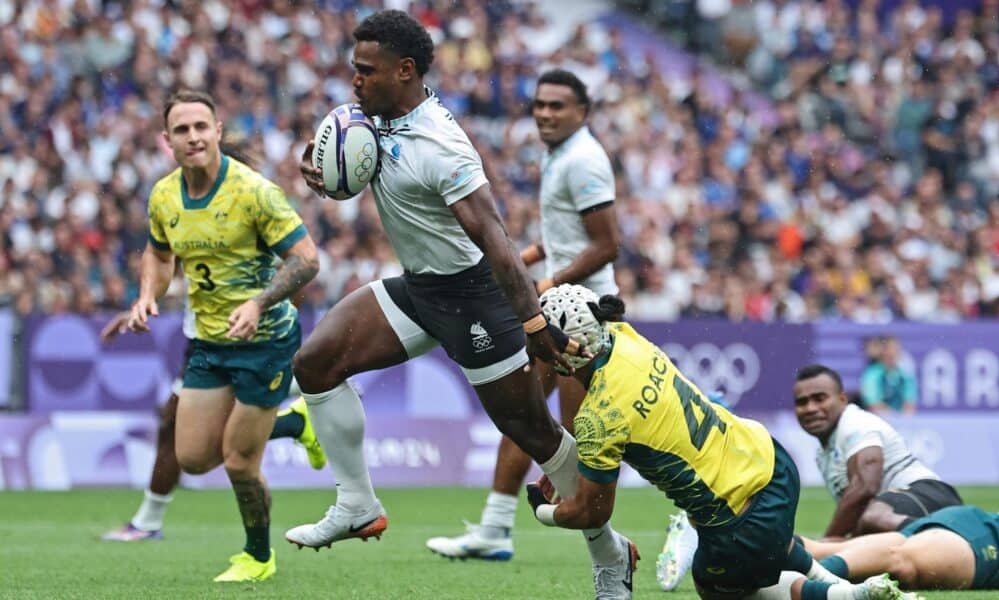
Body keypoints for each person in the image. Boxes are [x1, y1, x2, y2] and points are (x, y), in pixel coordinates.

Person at [286, 11, 635, 599]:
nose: (355, 81)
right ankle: (356, 504)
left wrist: (531, 322)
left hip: (474, 296)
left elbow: (495, 240)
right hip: (421, 288)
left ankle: (610, 550)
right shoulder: (373, 114)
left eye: (366, 71)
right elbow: (337, 147)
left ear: (405, 71)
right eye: (354, 70)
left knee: (535, 432)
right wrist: (314, 162)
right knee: (315, 363)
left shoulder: (443, 146)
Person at [526, 284, 922, 600]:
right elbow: (618, 413)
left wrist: (542, 512)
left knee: (717, 588)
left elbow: (591, 514)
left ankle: (843, 599)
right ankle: (854, 589)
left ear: (562, 355)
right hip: (772, 463)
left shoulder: (598, 419)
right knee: (764, 543)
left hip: (741, 523)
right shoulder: (627, 337)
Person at [426, 68, 620, 561]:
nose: (545, 114)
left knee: (581, 437)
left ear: (583, 112)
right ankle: (493, 529)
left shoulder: (584, 161)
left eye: (557, 106)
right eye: (540, 105)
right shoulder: (559, 155)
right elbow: (565, 237)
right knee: (523, 412)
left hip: (585, 321)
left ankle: (633, 538)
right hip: (557, 310)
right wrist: (524, 260)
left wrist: (549, 284)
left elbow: (607, 244)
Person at [127, 89, 320, 582]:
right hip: (211, 344)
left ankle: (257, 557)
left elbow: (306, 259)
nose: (192, 137)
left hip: (266, 341)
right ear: (167, 140)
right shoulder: (165, 195)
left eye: (200, 127)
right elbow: (159, 253)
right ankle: (297, 424)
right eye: (181, 130)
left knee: (238, 461)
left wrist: (258, 303)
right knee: (191, 457)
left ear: (216, 131)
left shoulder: (255, 192)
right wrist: (148, 293)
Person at [100, 305, 327, 542]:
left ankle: (311, 396)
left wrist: (259, 305)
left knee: (190, 433)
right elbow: (174, 269)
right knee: (174, 424)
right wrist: (146, 302)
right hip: (204, 331)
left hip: (228, 332)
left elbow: (299, 268)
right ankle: (148, 521)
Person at [792, 364, 962, 539]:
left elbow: (865, 488)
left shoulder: (854, 424)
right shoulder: (823, 455)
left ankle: (954, 537)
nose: (810, 408)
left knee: (871, 520)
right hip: (902, 510)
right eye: (801, 402)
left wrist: (827, 541)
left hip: (931, 496)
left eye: (819, 398)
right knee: (859, 540)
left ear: (843, 400)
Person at [806, 505, 999, 592]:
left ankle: (780, 555)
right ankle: (805, 582)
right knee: (901, 562)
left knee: (825, 551)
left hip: (967, 519)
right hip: (984, 540)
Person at [859, 337, 917, 414]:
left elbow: (910, 404)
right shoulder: (871, 374)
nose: (893, 353)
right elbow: (873, 404)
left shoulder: (906, 374)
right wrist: (894, 418)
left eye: (896, 349)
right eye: (889, 349)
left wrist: (903, 420)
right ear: (883, 352)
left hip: (903, 422)